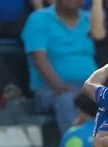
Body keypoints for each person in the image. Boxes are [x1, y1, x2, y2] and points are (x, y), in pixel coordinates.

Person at [21, 0, 97, 133]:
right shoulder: (39, 18)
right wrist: (60, 86)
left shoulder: (89, 19)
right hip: (50, 90)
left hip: (87, 87)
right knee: (67, 99)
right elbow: (39, 59)